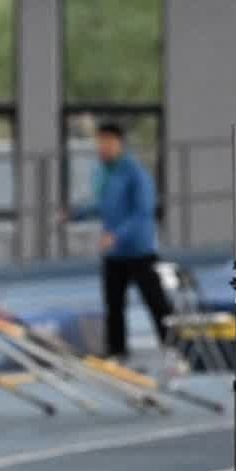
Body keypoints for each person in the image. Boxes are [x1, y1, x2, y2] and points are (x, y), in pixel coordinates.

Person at [64, 122, 174, 361]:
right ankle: (117, 350)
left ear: (119, 144)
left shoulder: (135, 173)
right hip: (114, 253)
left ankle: (176, 347)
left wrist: (117, 235)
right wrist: (75, 214)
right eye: (99, 142)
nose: (102, 147)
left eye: (107, 142)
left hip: (139, 250)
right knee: (113, 305)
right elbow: (100, 205)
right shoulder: (103, 173)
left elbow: (142, 212)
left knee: (156, 302)